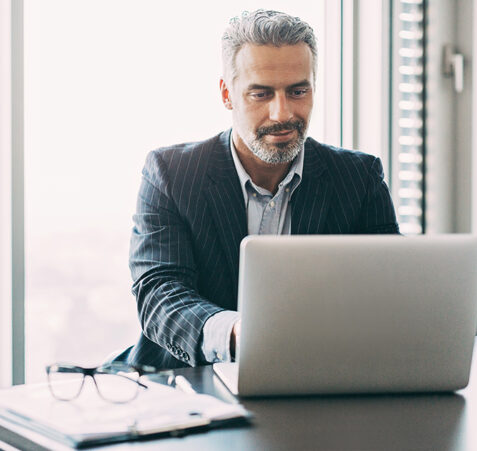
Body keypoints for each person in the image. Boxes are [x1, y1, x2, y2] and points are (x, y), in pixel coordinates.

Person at [125, 10, 399, 370]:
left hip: (321, 382)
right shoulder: (171, 174)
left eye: (298, 91)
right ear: (227, 94)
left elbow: (390, 292)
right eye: (261, 93)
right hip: (191, 385)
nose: (282, 113)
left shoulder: (359, 177)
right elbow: (160, 294)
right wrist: (239, 333)